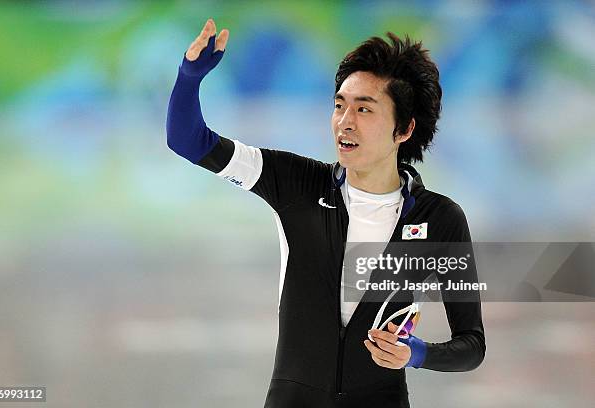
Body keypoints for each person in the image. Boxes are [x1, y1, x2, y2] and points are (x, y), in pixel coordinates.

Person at [166, 18, 485, 408]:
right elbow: (187, 139)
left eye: (364, 109)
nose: (345, 122)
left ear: (403, 129)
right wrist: (189, 76)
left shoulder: (440, 218)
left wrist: (416, 354)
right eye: (339, 105)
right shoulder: (294, 183)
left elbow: (472, 345)